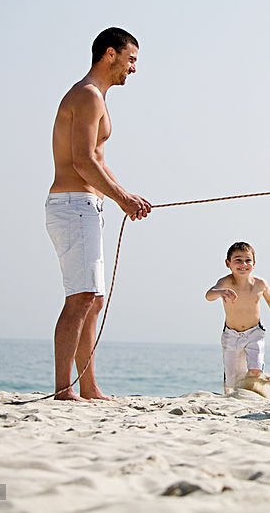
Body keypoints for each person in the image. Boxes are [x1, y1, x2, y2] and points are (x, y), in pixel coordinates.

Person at [46, 27, 152, 401]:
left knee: (93, 299)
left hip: (85, 206)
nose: (133, 69)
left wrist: (126, 196)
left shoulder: (95, 97)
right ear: (110, 54)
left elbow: (98, 163)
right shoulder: (88, 96)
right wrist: (123, 198)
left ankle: (88, 387)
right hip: (73, 205)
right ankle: (63, 389)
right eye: (131, 59)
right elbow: (82, 160)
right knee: (80, 297)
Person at [205, 241, 270, 394]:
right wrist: (221, 292)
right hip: (231, 335)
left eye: (247, 260)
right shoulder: (226, 282)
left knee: (255, 370)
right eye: (238, 260)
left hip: (254, 334)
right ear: (228, 263)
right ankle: (234, 397)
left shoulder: (259, 284)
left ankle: (255, 393)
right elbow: (209, 295)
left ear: (254, 263)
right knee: (231, 379)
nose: (243, 264)